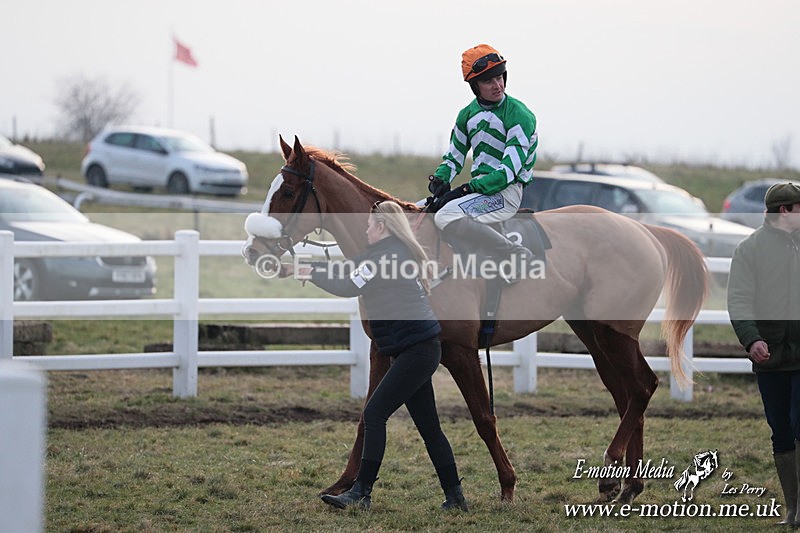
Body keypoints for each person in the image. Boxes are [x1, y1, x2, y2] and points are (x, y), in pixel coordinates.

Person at [280, 200, 468, 512]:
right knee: (429, 428)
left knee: (375, 414)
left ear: (381, 227)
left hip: (416, 351)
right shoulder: (386, 253)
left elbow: (348, 284)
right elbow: (345, 271)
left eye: (369, 225)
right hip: (416, 349)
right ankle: (456, 498)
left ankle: (361, 493)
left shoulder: (386, 256)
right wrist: (302, 268)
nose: (366, 230)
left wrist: (308, 272)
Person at [428, 43, 539, 283]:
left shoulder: (519, 114)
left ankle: (515, 254)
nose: (497, 85)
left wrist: (466, 188)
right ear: (474, 86)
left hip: (504, 194)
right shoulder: (466, 115)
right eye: (489, 81)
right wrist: (440, 179)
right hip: (481, 192)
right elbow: (454, 157)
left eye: (500, 77)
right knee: (418, 213)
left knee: (445, 217)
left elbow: (507, 172)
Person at [727, 182, 800, 526]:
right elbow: (739, 299)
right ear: (785, 211)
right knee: (781, 431)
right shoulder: (750, 249)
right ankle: (792, 509)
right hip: (769, 357)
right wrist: (751, 339)